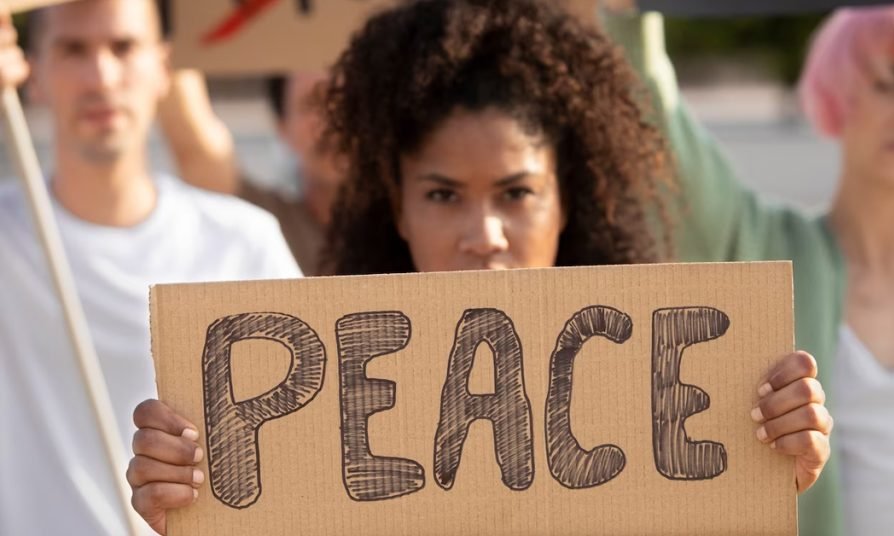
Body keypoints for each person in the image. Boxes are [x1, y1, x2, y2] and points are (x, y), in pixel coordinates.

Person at [124, 1, 834, 534]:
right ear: (396, 209)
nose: (484, 234)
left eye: (517, 193)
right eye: (442, 196)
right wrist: (190, 505)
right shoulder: (309, 417)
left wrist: (766, 474)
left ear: (567, 203)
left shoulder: (674, 402)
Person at [603, 2, 894, 535]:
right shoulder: (767, 245)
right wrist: (625, 16)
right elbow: (655, 124)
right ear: (841, 92)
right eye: (888, 83)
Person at [0, 1, 301, 534]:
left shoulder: (243, 242)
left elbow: (306, 448)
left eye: (124, 47)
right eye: (74, 50)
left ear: (165, 68)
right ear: (34, 74)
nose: (101, 76)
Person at [157, 69, 343, 275]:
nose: (331, 119)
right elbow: (196, 150)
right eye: (311, 104)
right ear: (282, 127)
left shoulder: (386, 227)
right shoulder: (262, 224)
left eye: (347, 100)